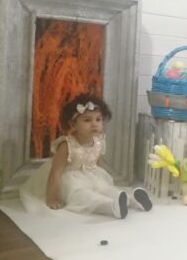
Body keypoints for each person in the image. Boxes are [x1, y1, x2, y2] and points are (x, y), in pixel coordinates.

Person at [20, 94, 153, 219]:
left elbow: (97, 165)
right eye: (87, 120)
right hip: (69, 181)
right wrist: (51, 197)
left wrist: (100, 180)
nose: (94, 123)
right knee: (84, 196)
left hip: (90, 177)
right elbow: (56, 172)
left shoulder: (99, 142)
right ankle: (111, 207)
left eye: (98, 119)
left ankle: (133, 200)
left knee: (105, 189)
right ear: (73, 124)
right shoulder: (67, 145)